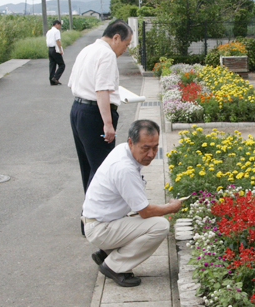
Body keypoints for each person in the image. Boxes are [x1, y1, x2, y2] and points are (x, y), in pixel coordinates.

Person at [81, 120, 182, 287]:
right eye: (145, 148)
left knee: (141, 218)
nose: (151, 154)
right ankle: (114, 266)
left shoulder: (123, 149)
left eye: (155, 147)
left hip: (100, 220)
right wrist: (171, 207)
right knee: (159, 225)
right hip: (100, 228)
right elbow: (145, 212)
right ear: (131, 142)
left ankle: (106, 252)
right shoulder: (124, 168)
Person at [69, 19, 133, 235]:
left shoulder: (88, 49)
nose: (124, 50)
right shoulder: (106, 54)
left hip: (78, 110)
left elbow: (75, 84)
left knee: (89, 167)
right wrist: (107, 123)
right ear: (116, 37)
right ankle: (96, 224)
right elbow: (101, 91)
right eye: (125, 44)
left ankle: (87, 221)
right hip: (94, 115)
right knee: (103, 171)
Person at [45, 20, 65, 85]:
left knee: (52, 65)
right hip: (55, 49)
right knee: (62, 65)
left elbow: (47, 41)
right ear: (56, 24)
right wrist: (60, 49)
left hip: (50, 49)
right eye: (59, 25)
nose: (59, 26)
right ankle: (55, 78)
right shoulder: (56, 31)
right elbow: (57, 41)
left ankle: (52, 81)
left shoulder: (49, 31)